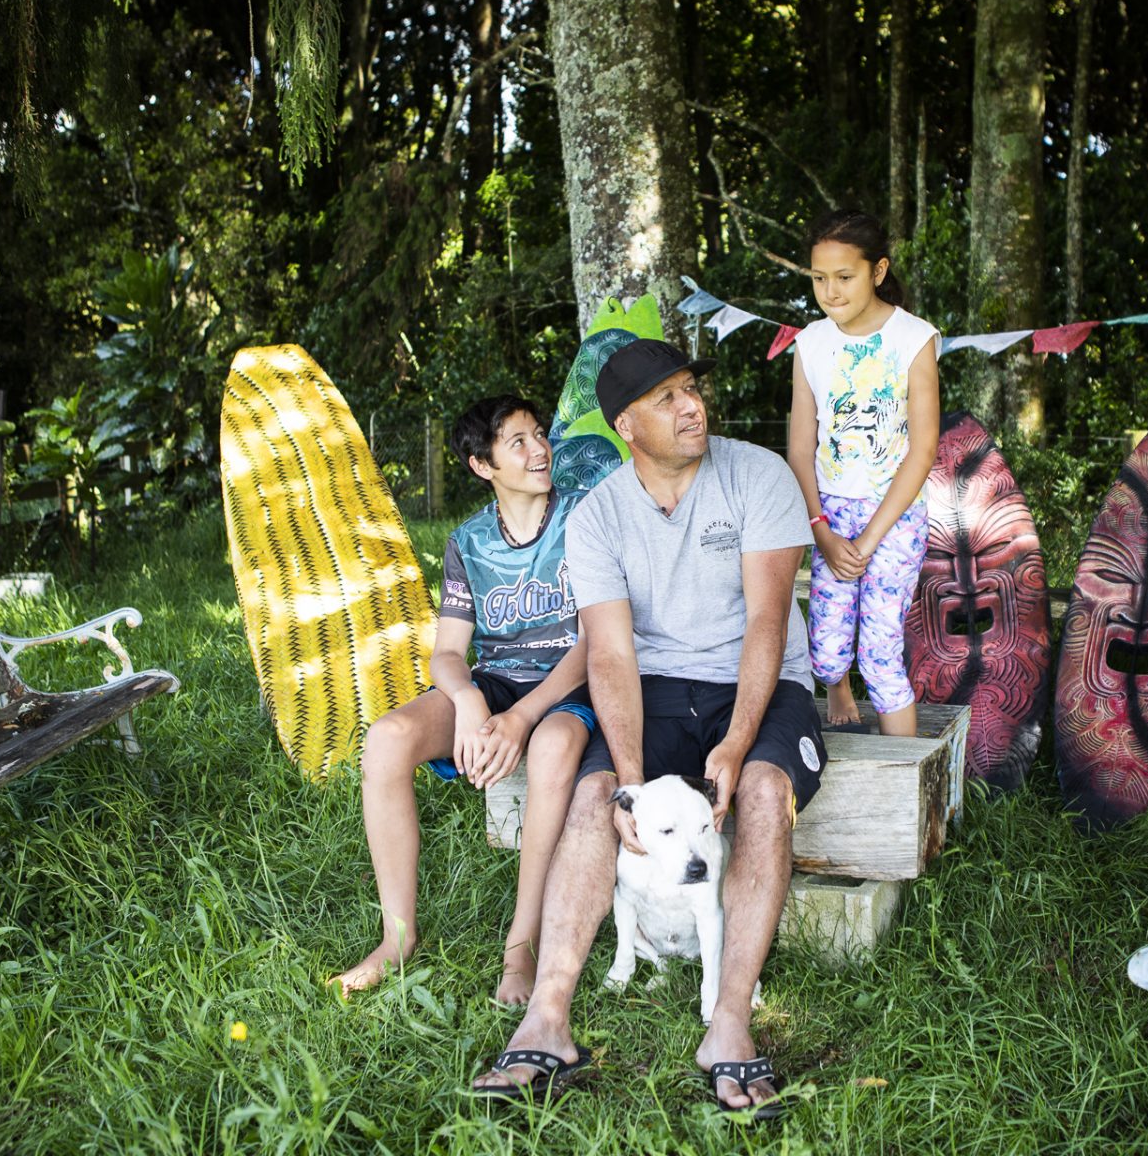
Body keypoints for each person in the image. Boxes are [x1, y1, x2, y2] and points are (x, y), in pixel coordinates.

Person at [471, 339, 826, 1116]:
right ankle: (548, 1016)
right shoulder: (599, 517)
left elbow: (768, 623)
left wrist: (734, 744)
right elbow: (613, 655)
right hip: (657, 685)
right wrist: (629, 778)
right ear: (626, 425)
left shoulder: (758, 475)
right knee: (598, 792)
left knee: (763, 791)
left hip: (758, 681)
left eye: (692, 388)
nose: (691, 405)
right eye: (667, 398)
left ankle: (729, 1021)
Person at [332, 395, 596, 1005]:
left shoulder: (584, 516)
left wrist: (522, 717)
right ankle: (397, 937)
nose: (538, 451)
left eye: (539, 436)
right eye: (518, 443)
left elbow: (596, 640)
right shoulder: (469, 541)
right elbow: (448, 651)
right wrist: (471, 699)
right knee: (387, 738)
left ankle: (520, 947)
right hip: (497, 681)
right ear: (483, 466)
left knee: (554, 748)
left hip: (569, 683)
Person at [789, 210, 941, 736]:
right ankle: (836, 686)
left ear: (877, 272)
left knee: (880, 653)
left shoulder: (914, 338)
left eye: (844, 276)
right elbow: (800, 446)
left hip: (894, 516)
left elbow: (922, 451)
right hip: (829, 513)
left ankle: (906, 786)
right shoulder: (809, 343)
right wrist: (821, 530)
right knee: (826, 653)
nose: (830, 291)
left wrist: (872, 536)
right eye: (818, 278)